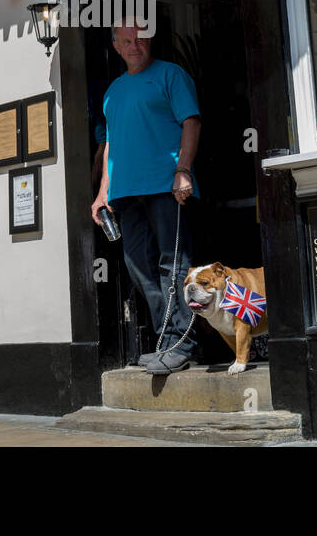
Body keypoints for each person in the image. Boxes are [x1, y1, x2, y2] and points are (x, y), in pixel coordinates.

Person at [91, 22, 202, 375]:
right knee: (138, 267)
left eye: (139, 39)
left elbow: (191, 122)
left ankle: (181, 343)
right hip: (125, 193)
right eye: (126, 41)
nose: (134, 46)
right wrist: (102, 192)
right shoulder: (113, 91)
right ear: (116, 47)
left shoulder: (171, 75)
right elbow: (110, 145)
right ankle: (167, 340)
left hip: (166, 187)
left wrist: (183, 170)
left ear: (149, 39)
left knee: (174, 265)